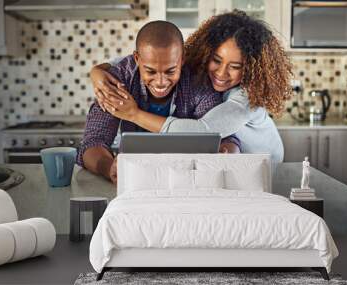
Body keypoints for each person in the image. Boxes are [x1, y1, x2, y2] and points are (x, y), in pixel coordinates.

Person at [92, 11, 293, 164]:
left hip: (265, 163)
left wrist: (133, 114)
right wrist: (99, 70)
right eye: (216, 60)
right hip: (233, 164)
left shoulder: (247, 98)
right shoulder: (201, 73)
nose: (221, 73)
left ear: (251, 67)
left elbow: (202, 131)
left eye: (235, 66)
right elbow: (150, 61)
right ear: (207, 53)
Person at [77, 21, 240, 184]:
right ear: (137, 59)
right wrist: (109, 167)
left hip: (186, 181)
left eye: (170, 71)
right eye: (150, 71)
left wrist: (227, 153)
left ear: (182, 59)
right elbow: (93, 141)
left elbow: (224, 137)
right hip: (134, 181)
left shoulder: (199, 81)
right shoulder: (119, 79)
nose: (161, 82)